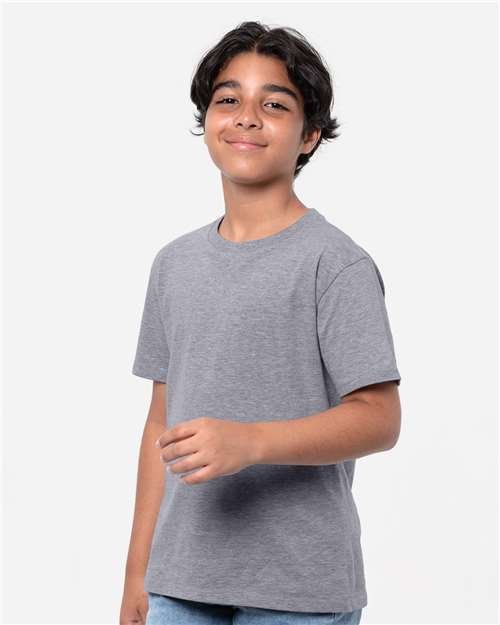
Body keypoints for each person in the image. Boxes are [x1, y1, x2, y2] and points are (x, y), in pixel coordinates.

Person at [120, 21, 402, 625]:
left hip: (300, 591)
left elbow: (380, 419)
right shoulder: (174, 264)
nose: (246, 117)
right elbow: (159, 425)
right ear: (207, 121)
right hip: (179, 584)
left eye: (274, 105)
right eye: (229, 99)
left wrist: (251, 443)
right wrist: (138, 573)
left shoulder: (335, 263)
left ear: (310, 135)